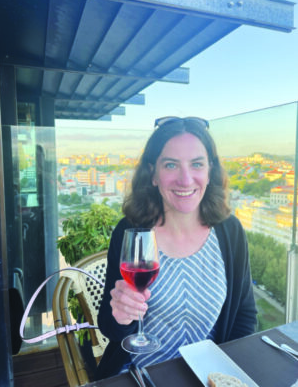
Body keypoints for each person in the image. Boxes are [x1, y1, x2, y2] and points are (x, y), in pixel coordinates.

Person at [95, 116, 257, 380]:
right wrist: (121, 316)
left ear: (209, 171)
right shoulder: (130, 231)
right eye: (171, 164)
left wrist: (226, 375)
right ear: (153, 174)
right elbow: (110, 327)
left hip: (207, 376)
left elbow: (245, 316)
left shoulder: (230, 231)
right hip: (140, 375)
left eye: (196, 164)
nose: (185, 179)